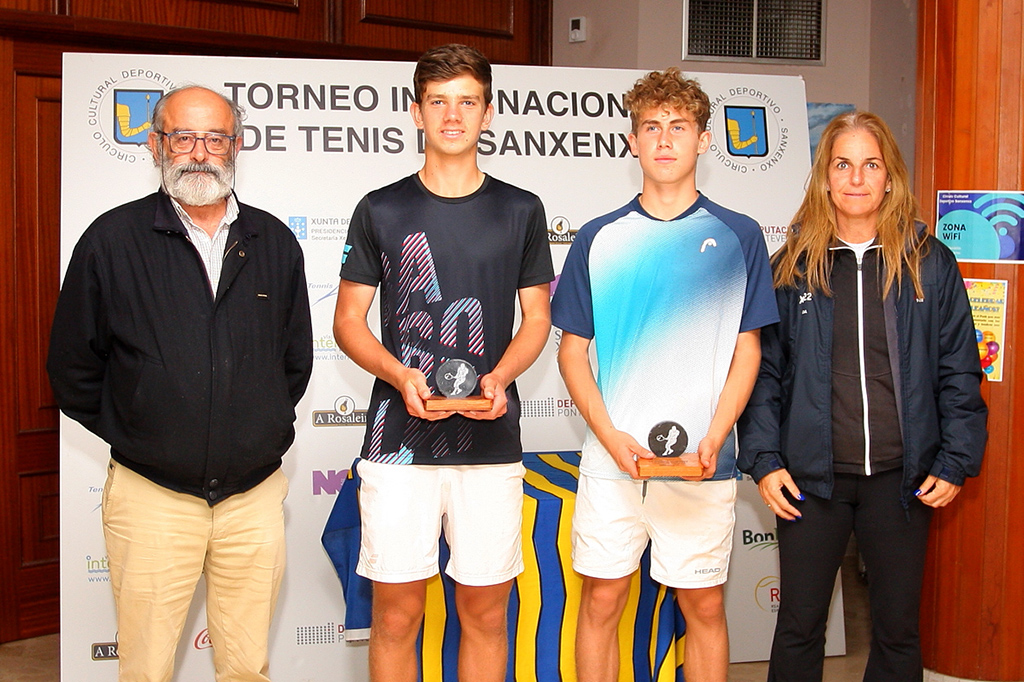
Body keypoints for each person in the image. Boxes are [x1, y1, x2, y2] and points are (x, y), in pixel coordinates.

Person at [47, 85, 313, 682]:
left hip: (253, 499)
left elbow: (293, 363)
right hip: (152, 498)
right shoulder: (111, 240)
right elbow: (72, 369)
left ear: (237, 145)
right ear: (155, 144)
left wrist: (254, 423)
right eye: (183, 137)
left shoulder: (273, 242)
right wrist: (143, 428)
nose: (199, 152)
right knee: (145, 670)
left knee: (247, 667)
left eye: (215, 137)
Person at [736, 111, 987, 681]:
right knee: (798, 625)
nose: (855, 178)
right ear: (824, 178)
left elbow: (959, 371)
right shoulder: (792, 269)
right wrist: (766, 461)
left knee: (898, 630)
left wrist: (955, 459)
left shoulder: (931, 265)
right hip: (810, 482)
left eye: (870, 165)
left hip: (903, 483)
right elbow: (763, 377)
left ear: (889, 178)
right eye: (842, 164)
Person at [332, 44, 553, 682]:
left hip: (489, 440)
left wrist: (502, 376)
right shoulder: (381, 208)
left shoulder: (522, 210)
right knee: (397, 616)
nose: (453, 116)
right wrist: (400, 375)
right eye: (439, 102)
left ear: (489, 113)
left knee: (485, 613)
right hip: (397, 444)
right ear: (416, 111)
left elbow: (536, 319)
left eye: (467, 102)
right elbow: (348, 322)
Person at [550, 68, 779, 682]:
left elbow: (747, 351)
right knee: (600, 600)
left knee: (702, 604)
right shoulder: (598, 238)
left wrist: (716, 434)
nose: (665, 140)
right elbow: (572, 353)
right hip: (612, 460)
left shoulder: (739, 236)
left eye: (679, 127)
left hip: (703, 461)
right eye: (651, 127)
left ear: (705, 140)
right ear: (632, 141)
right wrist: (608, 435)